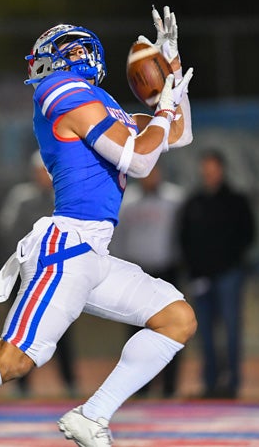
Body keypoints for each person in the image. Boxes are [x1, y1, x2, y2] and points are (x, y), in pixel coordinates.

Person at [0, 5, 196, 447]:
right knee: (14, 359)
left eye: (52, 53)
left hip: (92, 253)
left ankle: (93, 415)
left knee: (176, 318)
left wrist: (172, 74)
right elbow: (140, 159)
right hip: (67, 247)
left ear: (78, 54)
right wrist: (162, 109)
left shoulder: (102, 105)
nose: (41, 64)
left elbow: (177, 135)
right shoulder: (59, 89)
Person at [0, 149, 79, 398]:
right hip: (27, 274)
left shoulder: (64, 198)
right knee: (21, 329)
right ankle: (21, 383)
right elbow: (7, 230)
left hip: (56, 275)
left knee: (61, 330)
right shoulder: (22, 198)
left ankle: (69, 380)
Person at [178, 149, 256, 399]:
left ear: (221, 170)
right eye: (206, 170)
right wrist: (194, 270)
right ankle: (211, 383)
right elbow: (184, 239)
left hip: (228, 276)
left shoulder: (236, 201)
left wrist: (229, 262)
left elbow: (248, 234)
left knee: (231, 330)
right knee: (205, 334)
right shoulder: (194, 203)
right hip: (201, 278)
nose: (209, 174)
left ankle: (232, 383)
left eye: (213, 169)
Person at [111, 165, 185, 398]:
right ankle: (139, 386)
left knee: (172, 330)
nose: (150, 176)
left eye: (154, 171)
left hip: (167, 272)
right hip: (136, 273)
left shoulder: (176, 200)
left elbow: (184, 235)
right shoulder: (127, 201)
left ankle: (169, 387)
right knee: (135, 333)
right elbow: (118, 237)